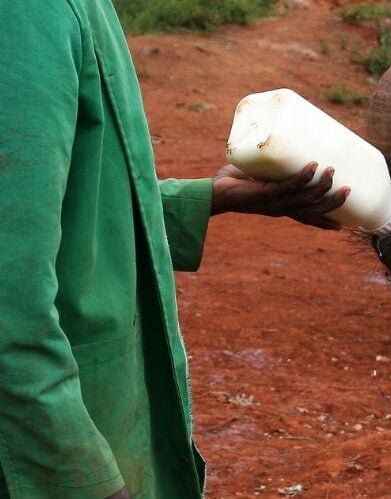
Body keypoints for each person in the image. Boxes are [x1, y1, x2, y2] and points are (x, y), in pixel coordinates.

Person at [0, 2, 348, 498]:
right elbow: (7, 299)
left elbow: (73, 204)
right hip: (52, 448)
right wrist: (80, 482)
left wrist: (208, 199)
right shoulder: (24, 14)